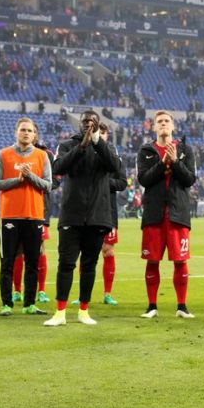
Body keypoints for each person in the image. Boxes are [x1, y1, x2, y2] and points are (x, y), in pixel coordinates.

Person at [44, 111, 121, 327]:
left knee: (89, 265)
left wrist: (96, 142)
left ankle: (83, 311)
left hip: (98, 215)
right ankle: (60, 312)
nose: (88, 124)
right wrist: (82, 147)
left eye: (92, 121)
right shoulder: (67, 145)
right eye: (85, 121)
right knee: (66, 264)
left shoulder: (107, 148)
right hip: (72, 214)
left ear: (97, 125)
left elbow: (116, 168)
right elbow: (57, 168)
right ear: (79, 124)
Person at [137, 110, 197, 319]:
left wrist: (176, 162)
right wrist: (163, 163)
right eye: (159, 122)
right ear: (154, 127)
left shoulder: (186, 150)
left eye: (166, 121)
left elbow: (190, 179)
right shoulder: (146, 151)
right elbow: (143, 179)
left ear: (173, 126)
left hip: (177, 214)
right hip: (154, 214)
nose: (163, 124)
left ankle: (182, 306)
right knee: (152, 260)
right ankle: (152, 306)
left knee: (180, 261)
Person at [0, 117, 52, 317]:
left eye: (30, 130)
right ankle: (6, 304)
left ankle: (29, 304)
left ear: (35, 135)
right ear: (16, 132)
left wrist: (31, 177)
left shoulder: (42, 156)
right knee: (7, 261)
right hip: (10, 215)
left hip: (34, 216)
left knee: (33, 263)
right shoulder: (4, 155)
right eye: (23, 130)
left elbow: (48, 185)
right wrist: (18, 180)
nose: (26, 133)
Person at [69, 122, 127, 307]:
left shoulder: (113, 155)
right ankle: (82, 294)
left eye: (103, 132)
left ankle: (107, 293)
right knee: (85, 252)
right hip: (85, 211)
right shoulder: (82, 151)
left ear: (107, 136)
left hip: (107, 211)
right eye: (97, 132)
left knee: (108, 251)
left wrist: (102, 183)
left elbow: (122, 182)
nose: (100, 135)